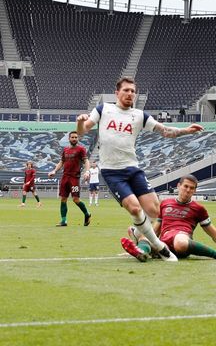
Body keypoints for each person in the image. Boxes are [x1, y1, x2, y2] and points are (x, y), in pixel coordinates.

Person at [77, 77, 204, 262]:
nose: (130, 94)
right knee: (135, 209)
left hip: (133, 169)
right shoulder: (104, 109)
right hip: (112, 172)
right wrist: (80, 122)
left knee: (157, 211)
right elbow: (83, 130)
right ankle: (161, 249)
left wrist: (186, 130)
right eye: (126, 90)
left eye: (133, 91)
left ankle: (138, 233)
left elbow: (165, 131)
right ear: (117, 93)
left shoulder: (139, 115)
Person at [121, 175, 216, 262]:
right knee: (145, 236)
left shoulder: (198, 209)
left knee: (179, 241)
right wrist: (146, 240)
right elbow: (156, 230)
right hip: (164, 244)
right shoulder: (165, 203)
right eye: (185, 186)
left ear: (195, 191)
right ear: (178, 186)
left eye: (192, 188)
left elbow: (215, 234)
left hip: (182, 240)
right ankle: (141, 252)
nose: (188, 190)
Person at [48, 132, 91, 227]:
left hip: (74, 178)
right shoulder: (66, 150)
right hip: (65, 177)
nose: (74, 139)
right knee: (63, 199)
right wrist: (54, 171)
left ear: (78, 139)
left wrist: (87, 171)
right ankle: (63, 220)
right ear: (69, 138)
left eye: (76, 137)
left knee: (76, 199)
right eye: (72, 137)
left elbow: (86, 160)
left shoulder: (81, 149)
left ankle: (87, 214)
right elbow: (61, 162)